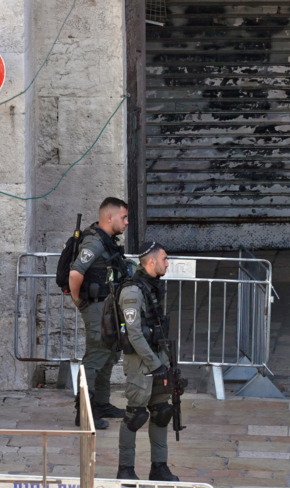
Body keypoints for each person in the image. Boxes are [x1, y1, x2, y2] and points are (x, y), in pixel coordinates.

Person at [116, 241, 180, 482]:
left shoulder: (152, 286)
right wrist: (155, 364)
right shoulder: (132, 291)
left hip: (157, 357)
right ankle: (125, 469)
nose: (167, 263)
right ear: (151, 261)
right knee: (135, 416)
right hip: (140, 362)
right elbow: (134, 333)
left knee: (162, 412)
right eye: (164, 258)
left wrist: (165, 362)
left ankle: (159, 467)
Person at [68, 197, 130, 429]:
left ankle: (101, 404)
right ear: (109, 217)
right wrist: (79, 303)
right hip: (96, 308)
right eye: (123, 217)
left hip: (108, 307)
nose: (126, 222)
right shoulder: (94, 243)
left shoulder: (107, 241)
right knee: (95, 358)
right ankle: (83, 411)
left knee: (108, 354)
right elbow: (75, 274)